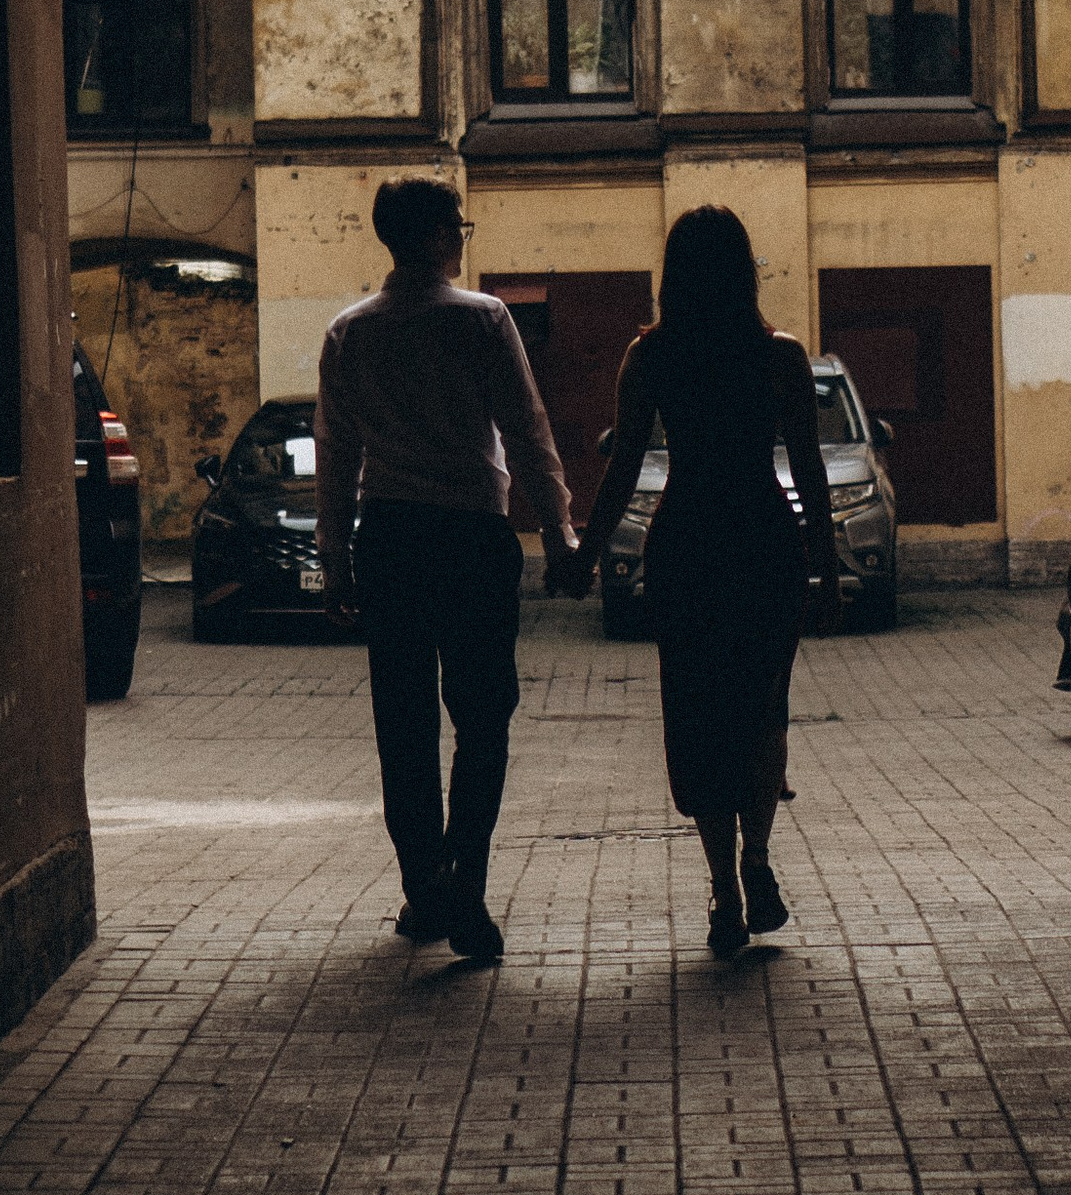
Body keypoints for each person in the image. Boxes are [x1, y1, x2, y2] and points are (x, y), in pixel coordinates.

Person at [561, 205, 838, 958]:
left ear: (672, 276)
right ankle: (758, 858)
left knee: (700, 717)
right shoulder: (779, 356)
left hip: (685, 545)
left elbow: (621, 469)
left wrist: (586, 556)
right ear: (745, 270)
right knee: (763, 709)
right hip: (762, 542)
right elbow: (808, 470)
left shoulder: (650, 357)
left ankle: (723, 889)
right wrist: (828, 564)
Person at [315, 176, 577, 966]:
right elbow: (526, 432)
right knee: (483, 715)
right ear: (432, 237)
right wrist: (560, 532)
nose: (463, 235)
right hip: (470, 537)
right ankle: (468, 877)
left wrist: (334, 562)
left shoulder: (348, 333)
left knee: (404, 726)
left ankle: (425, 890)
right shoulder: (484, 319)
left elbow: (337, 459)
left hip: (390, 540)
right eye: (455, 225)